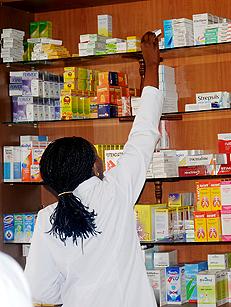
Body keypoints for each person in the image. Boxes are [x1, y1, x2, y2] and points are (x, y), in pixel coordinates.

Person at [24, 31, 163, 307]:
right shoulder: (115, 190)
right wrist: (152, 65)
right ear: (95, 167)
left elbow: (40, 292)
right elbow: (144, 131)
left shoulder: (46, 218)